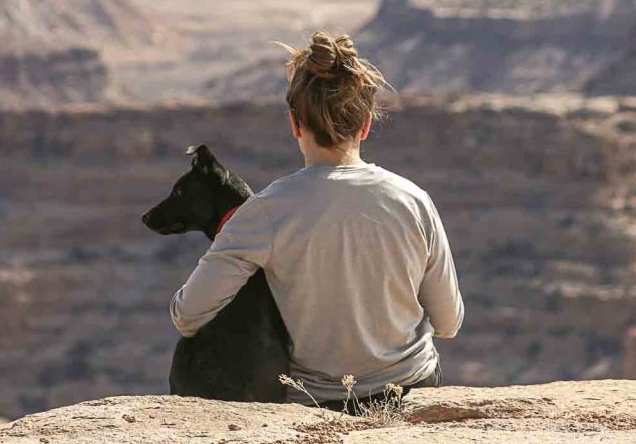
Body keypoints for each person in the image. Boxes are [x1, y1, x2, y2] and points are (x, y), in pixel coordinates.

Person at [169, 31, 464, 412]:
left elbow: (187, 315)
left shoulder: (265, 212)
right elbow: (449, 322)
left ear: (294, 123)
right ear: (366, 125)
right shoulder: (414, 201)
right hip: (411, 390)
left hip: (319, 402)